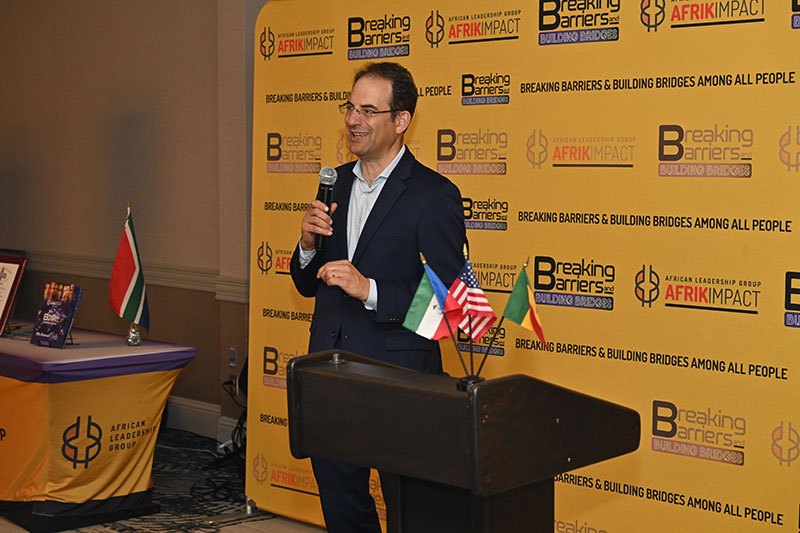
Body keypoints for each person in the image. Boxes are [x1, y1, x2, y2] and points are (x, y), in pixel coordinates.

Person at [290, 62, 467, 533]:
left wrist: (369, 289)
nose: (354, 120)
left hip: (399, 382)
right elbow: (307, 282)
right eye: (350, 107)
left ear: (401, 120)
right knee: (343, 512)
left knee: (411, 515)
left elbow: (451, 304)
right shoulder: (336, 182)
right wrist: (307, 245)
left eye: (369, 110)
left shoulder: (434, 194)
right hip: (330, 374)